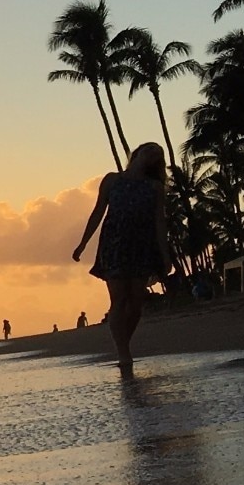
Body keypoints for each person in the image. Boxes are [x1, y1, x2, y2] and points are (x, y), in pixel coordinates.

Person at [72, 140, 175, 380]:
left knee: (136, 301)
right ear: (137, 153)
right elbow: (98, 212)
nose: (153, 154)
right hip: (115, 243)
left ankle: (123, 345)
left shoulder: (154, 187)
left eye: (158, 154)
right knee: (119, 299)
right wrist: (83, 243)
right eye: (150, 149)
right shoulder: (112, 180)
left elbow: (160, 222)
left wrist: (165, 254)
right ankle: (123, 352)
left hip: (141, 245)